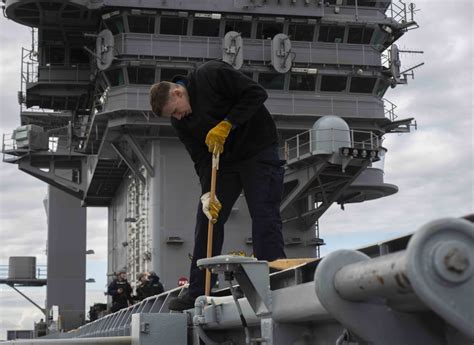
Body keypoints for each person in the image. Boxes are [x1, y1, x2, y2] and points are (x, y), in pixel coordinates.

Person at [149, 60, 286, 311]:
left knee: (263, 212)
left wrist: (227, 124)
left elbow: (256, 93)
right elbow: (200, 158)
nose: (178, 117)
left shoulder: (211, 75)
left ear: (178, 92)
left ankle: (275, 278)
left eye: (176, 110)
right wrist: (206, 194)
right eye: (173, 116)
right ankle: (199, 289)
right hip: (225, 163)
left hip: (258, 149)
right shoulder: (180, 122)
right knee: (208, 219)